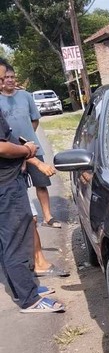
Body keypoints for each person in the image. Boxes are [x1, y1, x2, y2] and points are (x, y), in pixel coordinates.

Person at [0, 59, 64, 313]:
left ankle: (26, 285)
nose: (4, 81)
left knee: (14, 237)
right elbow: (2, 147)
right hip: (5, 186)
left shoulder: (23, 97)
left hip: (9, 181)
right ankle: (29, 299)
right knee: (15, 240)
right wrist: (26, 149)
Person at [0, 64, 61, 228]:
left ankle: (48, 217)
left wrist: (28, 141)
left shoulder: (26, 96)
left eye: (12, 77)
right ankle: (27, 219)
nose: (10, 80)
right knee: (18, 186)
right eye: (6, 77)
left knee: (41, 183)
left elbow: (35, 120)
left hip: (33, 147)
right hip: (12, 151)